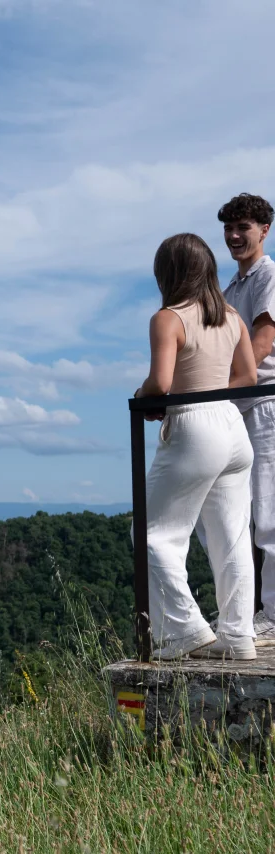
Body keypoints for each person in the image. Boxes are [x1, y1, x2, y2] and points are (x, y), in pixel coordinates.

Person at [135, 233, 257, 660]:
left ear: (168, 273)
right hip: (231, 426)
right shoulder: (231, 317)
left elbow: (161, 383)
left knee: (151, 535)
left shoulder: (168, 318)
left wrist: (144, 393)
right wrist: (210, 390)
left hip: (193, 428)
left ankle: (187, 631)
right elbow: (248, 378)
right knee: (232, 537)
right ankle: (238, 638)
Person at [217, 194, 275, 647]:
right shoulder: (231, 288)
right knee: (238, 512)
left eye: (243, 227)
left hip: (265, 403)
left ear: (264, 230)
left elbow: (264, 339)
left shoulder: (269, 275)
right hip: (240, 405)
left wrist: (228, 385)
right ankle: (249, 610)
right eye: (229, 228)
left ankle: (272, 614)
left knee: (268, 512)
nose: (235, 236)